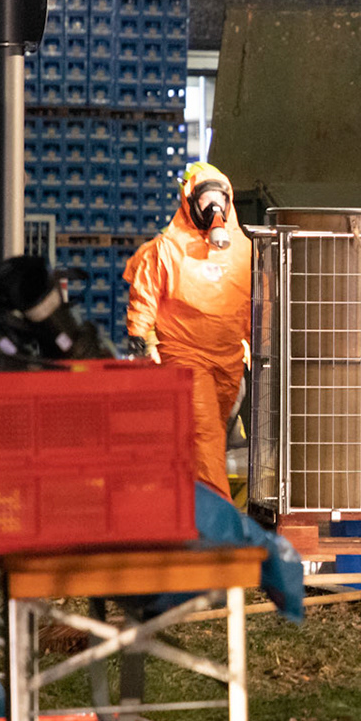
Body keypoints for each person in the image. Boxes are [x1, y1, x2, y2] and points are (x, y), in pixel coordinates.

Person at [125, 162, 252, 491]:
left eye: (219, 200)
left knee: (206, 439)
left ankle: (184, 506)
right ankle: (219, 525)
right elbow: (145, 294)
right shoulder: (167, 249)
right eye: (206, 200)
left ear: (229, 200)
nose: (214, 209)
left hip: (229, 360)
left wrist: (261, 344)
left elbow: (252, 303)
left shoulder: (244, 252)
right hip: (184, 355)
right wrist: (139, 337)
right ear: (190, 202)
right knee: (204, 436)